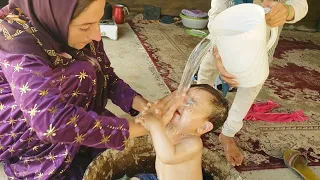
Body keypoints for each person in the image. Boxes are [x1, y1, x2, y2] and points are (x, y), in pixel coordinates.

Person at [0, 0, 185, 179]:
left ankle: (75, 142)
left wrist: (144, 107)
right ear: (55, 15)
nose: (97, 35)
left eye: (98, 21)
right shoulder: (16, 44)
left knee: (89, 73)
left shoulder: (68, 27)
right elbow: (50, 121)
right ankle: (37, 166)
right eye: (85, 27)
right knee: (78, 76)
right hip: (18, 120)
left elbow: (105, 75)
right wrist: (142, 127)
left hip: (52, 108)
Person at [197, 0, 308, 166]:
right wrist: (220, 51)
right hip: (224, 38)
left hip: (260, 45)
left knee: (252, 84)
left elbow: (301, 5)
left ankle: (227, 134)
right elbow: (215, 14)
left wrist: (288, 10)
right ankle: (198, 115)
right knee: (207, 70)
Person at [132, 84, 229, 180]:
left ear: (203, 127)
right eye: (183, 98)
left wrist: (154, 125)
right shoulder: (170, 127)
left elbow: (168, 157)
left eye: (190, 103)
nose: (181, 103)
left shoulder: (193, 143)